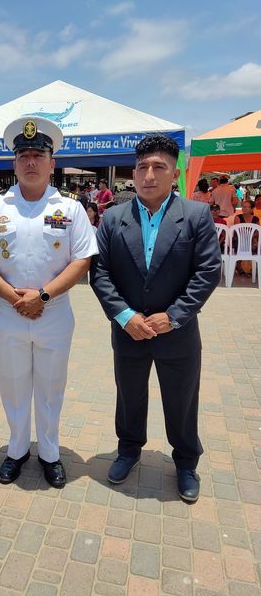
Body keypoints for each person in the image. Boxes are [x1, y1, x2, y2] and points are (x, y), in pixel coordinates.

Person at [90, 134, 221, 503]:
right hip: (129, 331)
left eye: (158, 167)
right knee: (129, 396)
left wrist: (174, 316)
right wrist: (125, 315)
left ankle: (186, 461)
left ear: (174, 173)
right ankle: (128, 449)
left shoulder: (195, 216)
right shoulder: (113, 218)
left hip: (177, 333)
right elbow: (100, 273)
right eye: (142, 167)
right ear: (133, 173)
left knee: (182, 399)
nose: (149, 175)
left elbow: (207, 271)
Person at [0, 116, 98, 488]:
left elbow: (82, 260)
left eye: (38, 155)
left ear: (51, 163)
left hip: (53, 313)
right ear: (14, 163)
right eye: (23, 155)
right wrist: (14, 297)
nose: (30, 162)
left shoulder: (70, 208)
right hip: (8, 312)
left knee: (50, 387)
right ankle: (16, 449)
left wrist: (42, 296)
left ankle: (50, 453)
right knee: (12, 385)